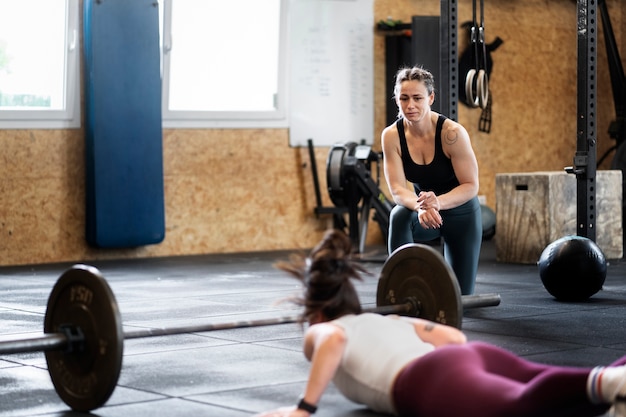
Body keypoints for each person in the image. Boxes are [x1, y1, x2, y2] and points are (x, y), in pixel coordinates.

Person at [254, 229, 626, 417]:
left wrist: (303, 409)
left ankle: (611, 382)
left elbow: (332, 341)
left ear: (316, 313)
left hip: (424, 380)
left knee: (519, 405)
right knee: (544, 381)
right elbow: (453, 338)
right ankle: (614, 384)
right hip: (466, 358)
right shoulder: (390, 320)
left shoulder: (325, 329)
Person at [381, 66, 482, 295]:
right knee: (399, 215)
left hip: (461, 215)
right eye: (403, 98)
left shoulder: (451, 134)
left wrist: (437, 203)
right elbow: (397, 189)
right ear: (396, 99)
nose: (410, 105)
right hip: (424, 212)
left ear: (431, 97)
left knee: (459, 299)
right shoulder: (391, 136)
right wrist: (421, 206)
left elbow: (471, 185)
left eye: (417, 98)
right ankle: (403, 289)